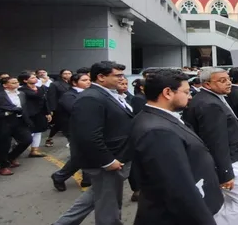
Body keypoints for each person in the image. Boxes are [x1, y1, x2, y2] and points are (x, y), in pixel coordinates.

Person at [128, 69, 224, 224]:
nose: (190, 96)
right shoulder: (157, 131)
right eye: (186, 92)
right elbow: (177, 188)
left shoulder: (159, 118)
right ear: (167, 93)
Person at [54, 61, 133, 225]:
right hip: (106, 162)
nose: (122, 79)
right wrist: (107, 161)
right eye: (117, 75)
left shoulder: (109, 94)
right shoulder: (91, 98)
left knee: (94, 197)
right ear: (101, 77)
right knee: (108, 208)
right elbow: (88, 135)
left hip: (116, 157)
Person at [183, 67, 238, 225]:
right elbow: (216, 141)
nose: (228, 83)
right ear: (207, 84)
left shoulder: (212, 98)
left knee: (226, 202)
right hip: (229, 161)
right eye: (222, 81)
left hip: (228, 159)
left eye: (228, 79)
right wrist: (225, 172)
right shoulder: (210, 104)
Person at [50, 73, 92, 192]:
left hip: (86, 128)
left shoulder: (87, 93)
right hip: (74, 130)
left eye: (89, 80)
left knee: (87, 153)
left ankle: (87, 179)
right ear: (74, 83)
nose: (88, 82)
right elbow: (77, 110)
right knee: (80, 155)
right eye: (84, 80)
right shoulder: (68, 96)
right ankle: (59, 176)